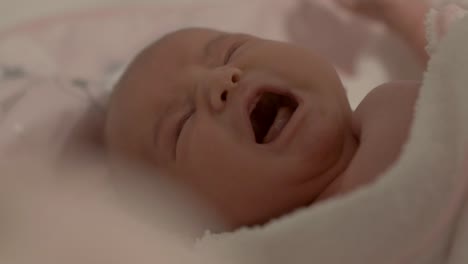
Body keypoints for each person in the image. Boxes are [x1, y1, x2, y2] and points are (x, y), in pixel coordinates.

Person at [105, 0, 430, 230]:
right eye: (181, 124)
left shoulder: (396, 103)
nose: (220, 81)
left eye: (229, 52)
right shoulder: (275, 252)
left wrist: (402, 13)